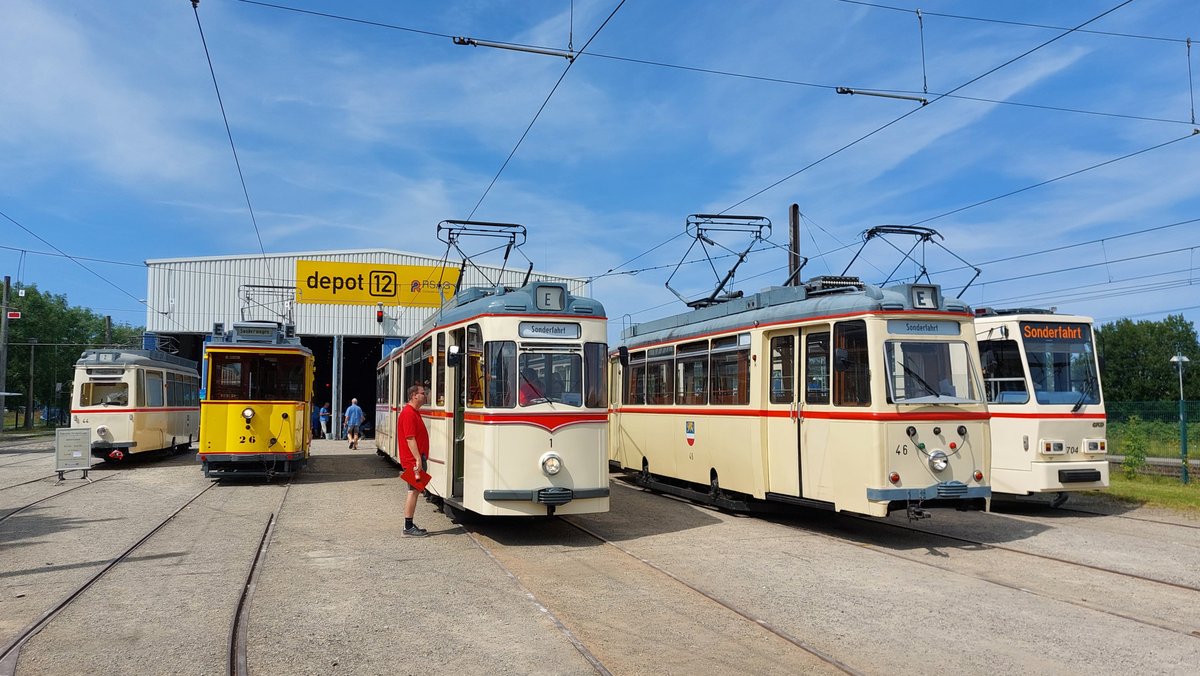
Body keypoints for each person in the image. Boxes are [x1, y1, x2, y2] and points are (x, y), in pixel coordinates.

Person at [398, 385, 430, 537]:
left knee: (415, 490)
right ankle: (408, 527)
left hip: (415, 459)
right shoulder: (409, 413)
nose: (425, 395)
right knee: (413, 491)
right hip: (412, 461)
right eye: (423, 393)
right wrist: (418, 460)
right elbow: (410, 438)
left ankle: (409, 525)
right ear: (414, 395)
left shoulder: (413, 412)